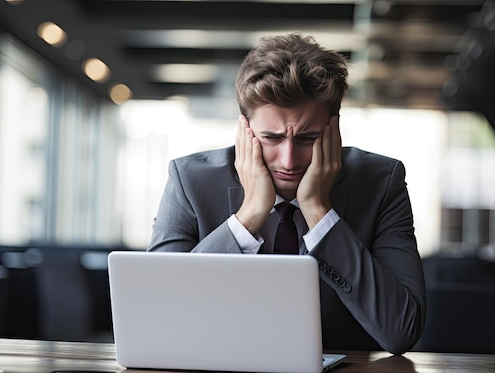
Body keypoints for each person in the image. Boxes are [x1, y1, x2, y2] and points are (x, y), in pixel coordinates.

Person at [148, 33, 426, 355]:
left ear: (334, 129)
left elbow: (402, 330)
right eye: (271, 138)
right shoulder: (190, 182)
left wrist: (320, 214)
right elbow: (157, 315)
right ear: (245, 130)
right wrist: (249, 215)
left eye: (308, 138)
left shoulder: (381, 184)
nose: (289, 160)